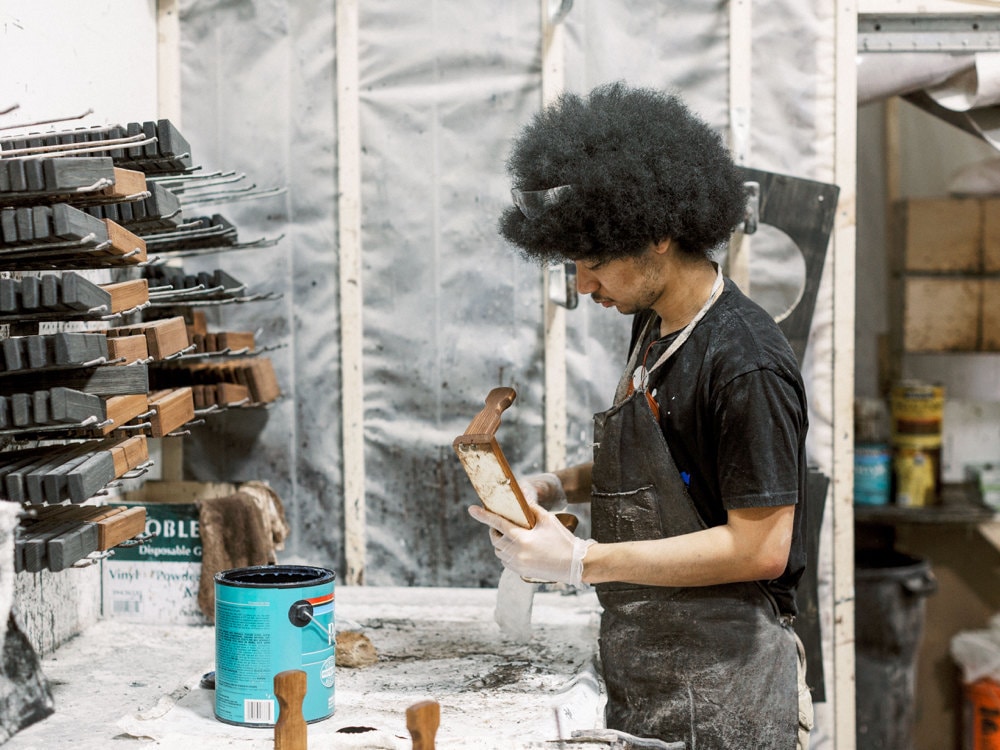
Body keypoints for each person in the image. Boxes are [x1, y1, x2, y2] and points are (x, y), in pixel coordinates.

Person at [467, 82, 814, 749]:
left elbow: (760, 546)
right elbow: (682, 465)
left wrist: (581, 560)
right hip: (655, 670)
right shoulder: (654, 323)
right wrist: (558, 484)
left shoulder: (745, 364)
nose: (585, 286)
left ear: (657, 235)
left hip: (729, 689)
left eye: (594, 266)